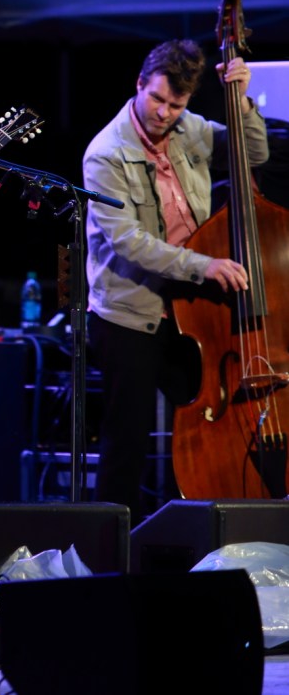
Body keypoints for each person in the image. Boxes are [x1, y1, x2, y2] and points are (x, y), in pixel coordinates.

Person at [82, 39, 269, 527]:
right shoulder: (105, 153)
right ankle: (111, 551)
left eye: (177, 104)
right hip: (131, 315)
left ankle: (203, 530)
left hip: (191, 310)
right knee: (127, 441)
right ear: (139, 84)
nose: (165, 113)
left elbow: (255, 153)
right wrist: (205, 265)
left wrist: (243, 103)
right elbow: (129, 242)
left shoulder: (191, 129)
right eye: (158, 99)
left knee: (213, 425)